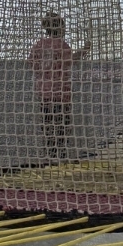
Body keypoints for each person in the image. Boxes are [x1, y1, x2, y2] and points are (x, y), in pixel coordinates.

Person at [29, 12, 88, 161]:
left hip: (44, 94)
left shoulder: (39, 45)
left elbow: (31, 63)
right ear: (59, 28)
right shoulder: (62, 45)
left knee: (48, 126)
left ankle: (50, 155)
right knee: (61, 127)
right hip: (61, 95)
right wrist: (84, 50)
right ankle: (60, 156)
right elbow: (70, 61)